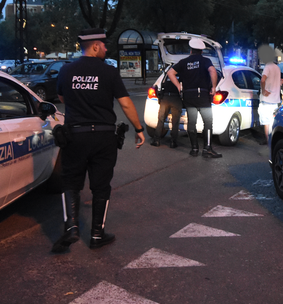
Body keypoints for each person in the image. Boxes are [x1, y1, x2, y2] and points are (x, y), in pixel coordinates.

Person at [51, 28, 145, 253]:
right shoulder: (109, 72)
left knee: (71, 182)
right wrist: (139, 129)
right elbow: (125, 103)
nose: (106, 49)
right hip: (103, 137)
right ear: (95, 46)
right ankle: (96, 234)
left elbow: (62, 97)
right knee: (101, 186)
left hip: (75, 136)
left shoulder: (66, 70)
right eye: (103, 46)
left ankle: (72, 227)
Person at [167, 38, 222, 159]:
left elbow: (170, 73)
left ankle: (194, 148)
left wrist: (178, 86)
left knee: (192, 122)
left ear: (191, 50)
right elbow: (213, 71)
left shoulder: (183, 62)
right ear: (201, 51)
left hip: (188, 96)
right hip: (202, 96)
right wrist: (213, 87)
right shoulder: (205, 61)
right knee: (207, 122)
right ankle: (207, 149)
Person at [258, 45, 283, 146]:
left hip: (266, 100)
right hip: (275, 100)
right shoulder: (277, 68)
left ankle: (268, 141)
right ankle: (272, 141)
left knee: (266, 122)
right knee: (273, 122)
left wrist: (264, 90)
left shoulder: (267, 67)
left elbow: (262, 79)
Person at [151, 70, 182, 148]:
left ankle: (156, 140)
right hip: (176, 99)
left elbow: (160, 86)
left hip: (165, 98)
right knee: (175, 121)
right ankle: (173, 142)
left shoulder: (167, 75)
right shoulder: (182, 76)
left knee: (161, 119)